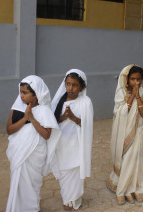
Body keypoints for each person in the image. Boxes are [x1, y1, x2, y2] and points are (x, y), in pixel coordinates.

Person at [6, 75, 60, 212]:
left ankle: (31, 208)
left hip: (35, 154)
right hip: (18, 152)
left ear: (36, 95)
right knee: (18, 182)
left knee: (32, 185)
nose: (21, 96)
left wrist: (32, 119)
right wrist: (25, 118)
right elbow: (9, 129)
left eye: (25, 93)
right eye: (21, 92)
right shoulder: (17, 108)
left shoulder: (44, 111)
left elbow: (47, 135)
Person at [51, 69, 93, 210]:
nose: (70, 88)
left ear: (81, 87)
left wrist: (73, 118)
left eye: (74, 85)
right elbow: (52, 121)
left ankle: (73, 199)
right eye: (68, 84)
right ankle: (66, 197)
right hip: (62, 143)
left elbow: (87, 124)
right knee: (64, 171)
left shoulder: (85, 102)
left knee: (74, 169)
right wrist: (63, 117)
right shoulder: (58, 101)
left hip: (76, 143)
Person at [108, 65, 143, 205]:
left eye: (138, 79)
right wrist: (132, 95)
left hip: (137, 132)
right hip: (123, 133)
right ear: (126, 80)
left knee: (135, 160)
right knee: (126, 160)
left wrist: (137, 95)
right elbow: (120, 112)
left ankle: (132, 189)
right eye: (132, 79)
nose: (136, 82)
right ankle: (122, 190)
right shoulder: (121, 94)